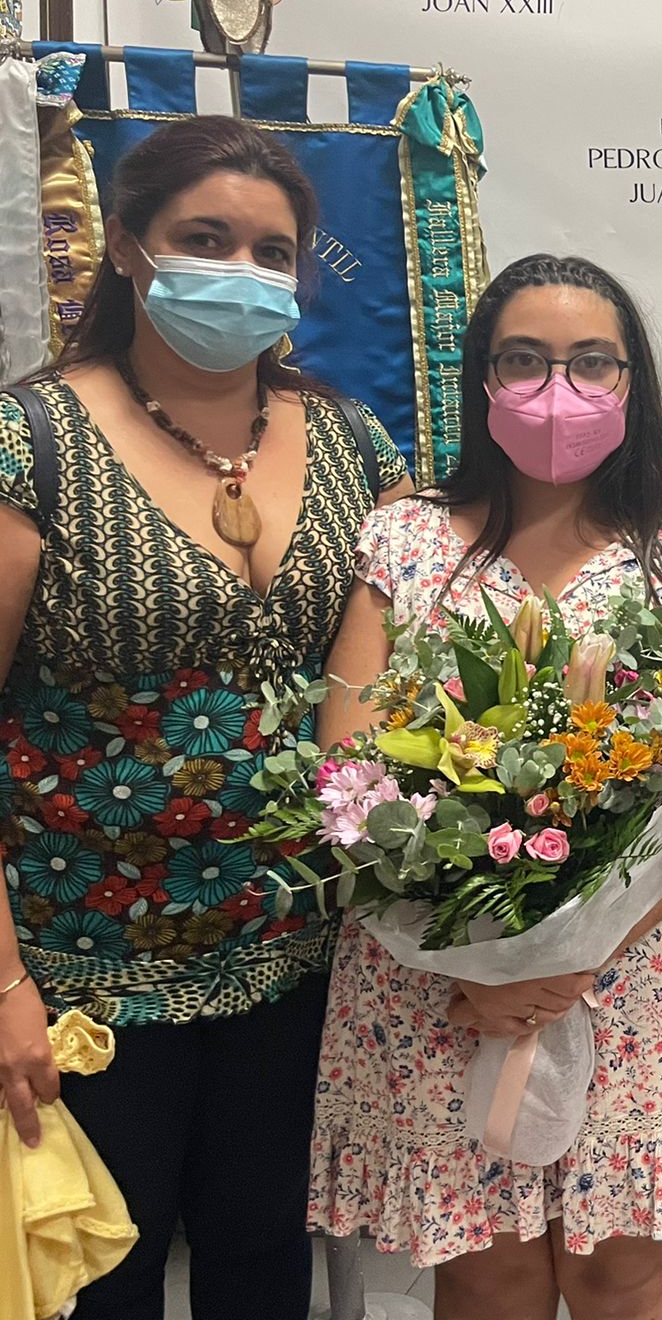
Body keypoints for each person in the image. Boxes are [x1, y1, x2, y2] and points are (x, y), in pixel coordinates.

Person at [308, 254, 662, 1319]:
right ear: (481, 377)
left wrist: (570, 957)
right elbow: (349, 768)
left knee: (627, 1266)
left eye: (590, 362)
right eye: (523, 360)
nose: (556, 387)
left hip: (642, 972)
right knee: (488, 1263)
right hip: (433, 975)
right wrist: (474, 962)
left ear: (631, 382)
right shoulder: (405, 541)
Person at [0, 115, 410, 1320]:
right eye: (205, 238)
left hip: (297, 956)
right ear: (129, 248)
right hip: (82, 971)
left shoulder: (351, 442)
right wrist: (2, 987)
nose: (240, 271)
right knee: (104, 1280)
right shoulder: (30, 441)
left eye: (271, 251)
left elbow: (380, 697)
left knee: (263, 1262)